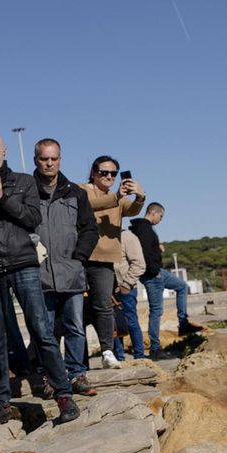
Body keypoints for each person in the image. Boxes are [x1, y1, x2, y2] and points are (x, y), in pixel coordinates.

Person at [0, 133, 72, 428]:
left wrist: (2, 197)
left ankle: (63, 394)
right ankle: (0, 400)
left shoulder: (23, 181)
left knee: (41, 330)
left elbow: (32, 218)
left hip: (22, 262)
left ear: (4, 152)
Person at [31, 139, 99, 398]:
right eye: (44, 159)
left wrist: (79, 257)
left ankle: (76, 374)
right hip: (39, 275)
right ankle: (49, 377)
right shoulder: (26, 191)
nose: (49, 163)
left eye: (54, 158)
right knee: (44, 331)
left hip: (72, 273)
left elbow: (90, 229)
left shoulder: (76, 193)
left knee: (75, 327)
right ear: (36, 160)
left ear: (60, 159)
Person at [80, 156, 144, 370]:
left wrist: (140, 196)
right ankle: (79, 360)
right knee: (77, 311)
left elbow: (132, 210)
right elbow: (87, 205)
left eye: (113, 174)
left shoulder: (118, 198)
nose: (109, 176)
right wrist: (116, 196)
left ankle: (107, 351)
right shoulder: (82, 190)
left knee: (104, 307)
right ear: (93, 172)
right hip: (80, 257)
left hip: (105, 260)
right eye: (104, 172)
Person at [130, 203, 201, 357]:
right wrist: (154, 270)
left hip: (159, 272)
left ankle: (183, 323)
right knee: (156, 311)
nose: (160, 220)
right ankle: (155, 349)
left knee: (182, 286)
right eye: (160, 216)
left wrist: (157, 248)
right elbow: (145, 253)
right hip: (152, 274)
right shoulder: (144, 229)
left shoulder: (145, 229)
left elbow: (149, 249)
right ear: (153, 213)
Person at [111, 222, 148, 360]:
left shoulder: (127, 237)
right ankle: (119, 358)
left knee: (131, 322)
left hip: (125, 289)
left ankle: (139, 356)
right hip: (109, 290)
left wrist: (126, 285)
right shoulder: (102, 238)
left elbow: (139, 264)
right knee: (114, 325)